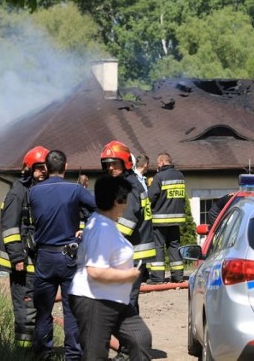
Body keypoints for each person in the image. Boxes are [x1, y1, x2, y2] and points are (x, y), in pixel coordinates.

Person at [69, 175, 153, 361]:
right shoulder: (101, 227)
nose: (127, 204)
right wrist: (127, 276)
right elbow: (95, 271)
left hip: (114, 299)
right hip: (94, 300)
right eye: (125, 199)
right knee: (95, 355)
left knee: (140, 337)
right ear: (117, 201)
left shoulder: (107, 224)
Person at [30, 150, 96, 359]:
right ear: (66, 167)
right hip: (69, 256)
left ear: (46, 168)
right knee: (72, 312)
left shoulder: (33, 192)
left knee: (42, 311)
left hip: (44, 257)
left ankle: (43, 354)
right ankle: (73, 356)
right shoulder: (75, 190)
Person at [100, 141, 156, 360]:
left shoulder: (131, 186)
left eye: (113, 164)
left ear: (124, 162)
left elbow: (127, 223)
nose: (110, 168)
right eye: (107, 165)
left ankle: (127, 351)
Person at [0, 145, 49, 349]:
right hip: (23, 264)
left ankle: (39, 350)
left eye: (46, 167)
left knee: (41, 310)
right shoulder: (18, 193)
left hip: (39, 263)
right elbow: (9, 228)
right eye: (40, 168)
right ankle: (23, 353)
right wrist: (17, 259)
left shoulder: (41, 190)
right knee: (26, 312)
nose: (44, 171)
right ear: (29, 169)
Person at [147, 153, 186, 284]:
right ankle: (178, 277)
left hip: (160, 219)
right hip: (176, 220)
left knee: (158, 247)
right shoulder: (180, 176)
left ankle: (158, 278)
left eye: (158, 163)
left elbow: (151, 197)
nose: (157, 166)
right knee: (174, 247)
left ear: (163, 162)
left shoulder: (159, 177)